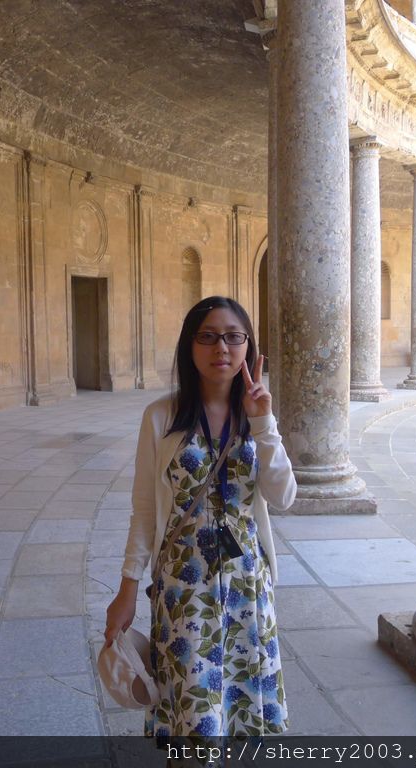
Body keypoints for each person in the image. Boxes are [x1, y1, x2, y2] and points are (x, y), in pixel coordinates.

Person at [105, 296, 297, 745]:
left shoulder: (257, 415)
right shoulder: (161, 417)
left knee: (242, 712)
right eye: (207, 336)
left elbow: (284, 497)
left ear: (248, 346)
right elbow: (144, 510)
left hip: (247, 584)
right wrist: (127, 589)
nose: (221, 348)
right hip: (183, 586)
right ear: (189, 347)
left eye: (233, 337)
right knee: (192, 716)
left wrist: (264, 423)